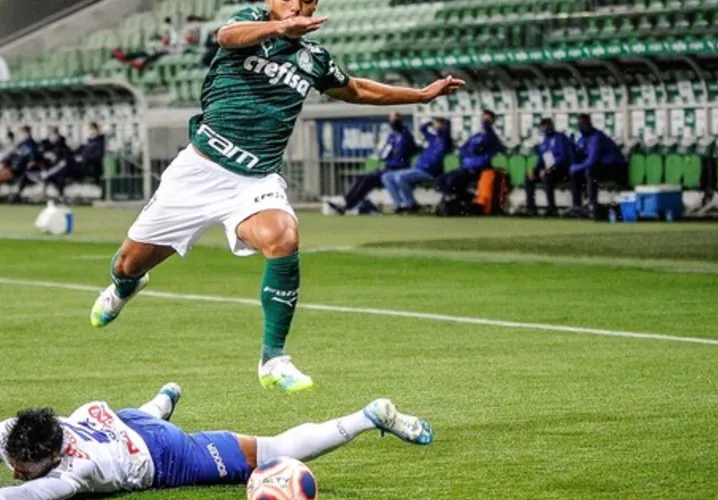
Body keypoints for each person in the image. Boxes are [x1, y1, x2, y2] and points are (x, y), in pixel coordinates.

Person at [89, 0, 464, 394]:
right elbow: (226, 36)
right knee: (128, 263)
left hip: (255, 179)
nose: (300, 5)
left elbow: (355, 88)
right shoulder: (252, 24)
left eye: (310, 1)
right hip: (199, 171)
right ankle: (124, 286)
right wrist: (277, 30)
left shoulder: (314, 58)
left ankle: (273, 358)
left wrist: (419, 96)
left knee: (283, 236)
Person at [0, 382, 432, 500]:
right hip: (119, 419)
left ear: (51, 457)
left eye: (26, 466)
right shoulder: (9, 434)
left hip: (163, 454)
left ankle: (368, 415)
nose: (16, 471)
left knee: (267, 452)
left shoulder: (74, 474)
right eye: (14, 463)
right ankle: (165, 395)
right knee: (144, 414)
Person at [326, 112, 420, 215]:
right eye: (391, 119)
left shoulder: (406, 135)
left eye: (395, 119)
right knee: (363, 178)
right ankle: (347, 201)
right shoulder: (392, 136)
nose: (393, 122)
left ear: (400, 120)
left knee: (368, 180)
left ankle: (348, 205)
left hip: (398, 169)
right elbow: (385, 153)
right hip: (388, 167)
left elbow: (409, 151)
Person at [434, 109, 503, 211]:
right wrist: (466, 154)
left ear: (492, 121)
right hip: (465, 167)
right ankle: (461, 197)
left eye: (487, 119)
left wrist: (487, 126)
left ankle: (454, 200)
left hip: (478, 168)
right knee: (440, 180)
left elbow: (484, 146)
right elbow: (464, 149)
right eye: (483, 118)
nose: (484, 121)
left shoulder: (492, 136)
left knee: (453, 180)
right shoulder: (476, 136)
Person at [382, 117, 452, 213]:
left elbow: (447, 128)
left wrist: (444, 122)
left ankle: (411, 204)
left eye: (438, 124)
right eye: (436, 124)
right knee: (386, 177)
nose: (436, 125)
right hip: (418, 169)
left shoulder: (445, 141)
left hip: (430, 172)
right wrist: (430, 122)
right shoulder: (433, 139)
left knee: (400, 177)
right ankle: (399, 205)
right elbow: (422, 128)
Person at [568, 114, 626, 219]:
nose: (582, 126)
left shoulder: (597, 137)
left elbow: (592, 161)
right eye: (580, 124)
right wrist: (571, 147)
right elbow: (578, 156)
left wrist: (575, 167)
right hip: (600, 168)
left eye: (584, 124)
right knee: (575, 174)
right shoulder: (582, 139)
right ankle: (576, 206)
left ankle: (591, 204)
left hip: (614, 168)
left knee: (590, 170)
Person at [521, 118, 574, 216]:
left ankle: (552, 209)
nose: (545, 128)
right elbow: (541, 159)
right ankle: (531, 209)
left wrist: (549, 168)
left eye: (547, 126)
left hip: (561, 170)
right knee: (528, 177)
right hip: (548, 169)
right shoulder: (544, 141)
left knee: (547, 175)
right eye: (543, 126)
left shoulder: (560, 137)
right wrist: (533, 170)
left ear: (551, 126)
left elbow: (563, 157)